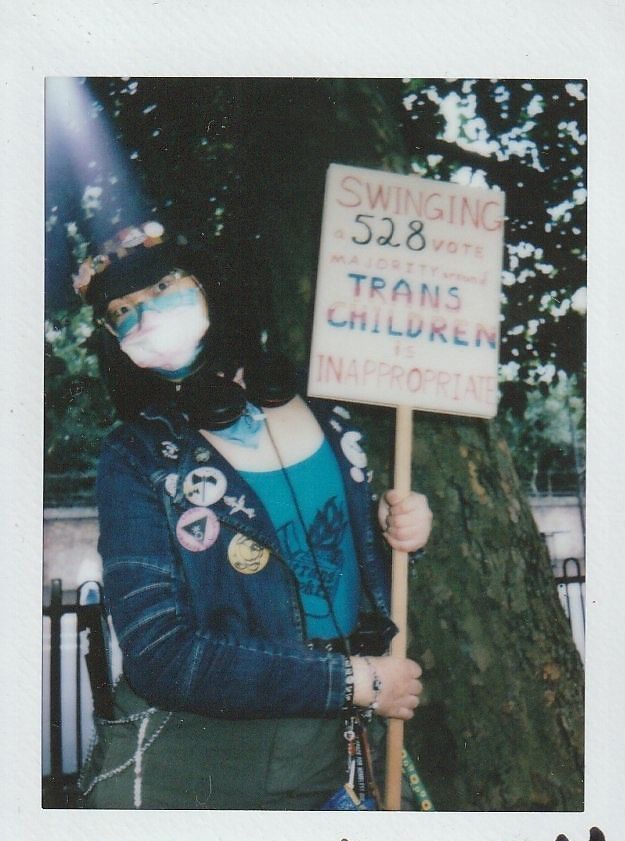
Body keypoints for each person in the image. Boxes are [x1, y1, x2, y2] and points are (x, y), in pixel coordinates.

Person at [76, 222, 432, 810]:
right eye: (123, 311)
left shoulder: (330, 416)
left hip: (327, 767)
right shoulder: (135, 455)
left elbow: (341, 565)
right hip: (209, 787)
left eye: (162, 287)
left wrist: (402, 534)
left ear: (209, 285)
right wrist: (358, 682)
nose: (147, 316)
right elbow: (161, 652)